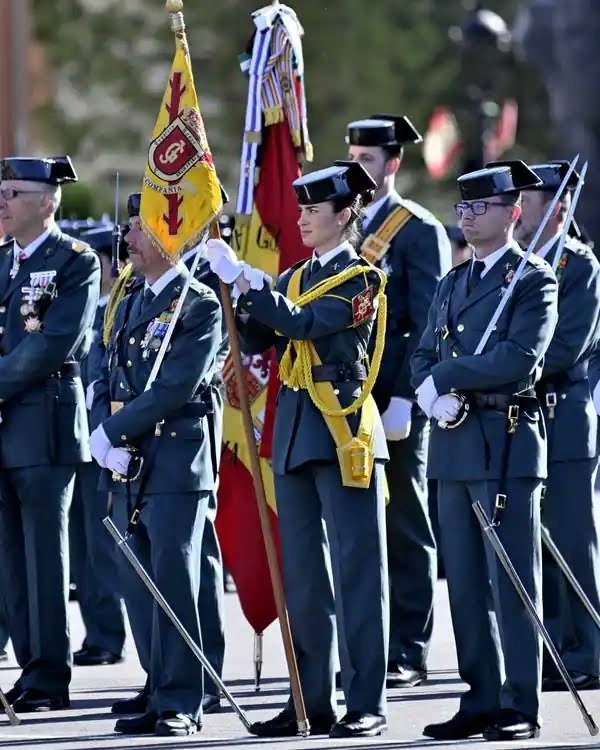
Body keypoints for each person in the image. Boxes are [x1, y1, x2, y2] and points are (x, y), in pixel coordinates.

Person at [207, 161, 389, 739]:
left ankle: (366, 700)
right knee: (304, 579)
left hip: (342, 434)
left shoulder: (361, 279)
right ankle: (309, 700)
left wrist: (249, 283)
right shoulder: (291, 276)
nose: (303, 220)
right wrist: (233, 292)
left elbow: (310, 324)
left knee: (358, 573)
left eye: (314, 211)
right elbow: (261, 334)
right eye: (302, 210)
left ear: (344, 216)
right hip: (291, 440)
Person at [411, 161, 558, 741]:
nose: (467, 218)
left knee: (514, 581)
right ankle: (478, 696)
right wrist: (430, 391)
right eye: (463, 209)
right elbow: (424, 352)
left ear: (513, 213)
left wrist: (447, 375)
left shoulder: (533, 279)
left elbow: (520, 360)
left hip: (506, 444)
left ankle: (521, 702)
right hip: (453, 446)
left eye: (480, 209)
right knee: (467, 586)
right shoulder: (453, 282)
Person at [89, 192, 222, 737]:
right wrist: (102, 428)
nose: (129, 238)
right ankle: (157, 684)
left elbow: (174, 387)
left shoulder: (198, 304)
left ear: (172, 236)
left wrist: (111, 431)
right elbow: (106, 372)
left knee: (173, 578)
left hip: (174, 460)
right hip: (128, 460)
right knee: (139, 582)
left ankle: (182, 700)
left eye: (141, 229)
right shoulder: (130, 298)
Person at [346, 114, 451, 688]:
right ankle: (366, 643)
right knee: (359, 527)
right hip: (345, 400)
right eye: (353, 159)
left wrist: (408, 398)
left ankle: (408, 646)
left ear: (393, 164)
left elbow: (430, 323)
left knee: (405, 521)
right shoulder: (342, 229)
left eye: (368, 161)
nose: (359, 170)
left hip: (394, 401)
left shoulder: (416, 229)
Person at [0, 156, 100, 711]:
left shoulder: (74, 262)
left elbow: (51, 345)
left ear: (46, 202)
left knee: (44, 555)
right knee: (10, 560)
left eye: (13, 192)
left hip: (44, 424)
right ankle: (27, 667)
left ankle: (48, 676)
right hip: (6, 425)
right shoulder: (2, 261)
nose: (2, 201)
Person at [516, 160, 600, 691]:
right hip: (525, 418)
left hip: (564, 418)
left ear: (559, 206)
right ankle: (549, 647)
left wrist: (506, 366)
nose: (520, 210)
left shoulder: (579, 266)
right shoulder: (519, 266)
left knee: (572, 540)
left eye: (532, 199)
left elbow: (567, 347)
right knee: (536, 545)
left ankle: (588, 649)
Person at [68, 224, 127, 666]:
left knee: (102, 545)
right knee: (82, 544)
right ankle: (95, 632)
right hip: (75, 440)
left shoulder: (121, 309)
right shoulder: (87, 310)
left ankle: (108, 636)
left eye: (104, 259)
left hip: (107, 441)